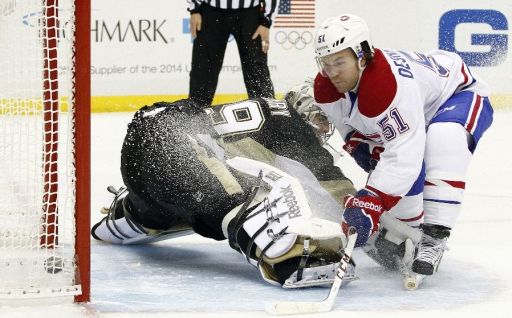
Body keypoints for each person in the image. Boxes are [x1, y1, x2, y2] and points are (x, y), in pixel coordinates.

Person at [91, 95, 360, 288]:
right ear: (304, 108)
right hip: (171, 141)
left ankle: (129, 212)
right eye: (321, 118)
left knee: (164, 209)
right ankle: (290, 259)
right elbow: (336, 192)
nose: (325, 129)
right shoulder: (294, 127)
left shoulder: (269, 115)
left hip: (149, 142)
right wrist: (379, 230)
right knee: (238, 205)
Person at [311, 14, 494, 285]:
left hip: (457, 93)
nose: (332, 72)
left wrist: (372, 200)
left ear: (362, 56)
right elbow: (354, 134)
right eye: (325, 63)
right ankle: (410, 233)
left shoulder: (386, 87)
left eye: (340, 62)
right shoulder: (327, 87)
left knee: (442, 138)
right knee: (387, 169)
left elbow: (405, 157)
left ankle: (434, 238)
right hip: (415, 109)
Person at [187, 0, 278, 106]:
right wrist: (195, 9)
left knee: (256, 70)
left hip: (250, 15)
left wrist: (266, 21)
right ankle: (195, 116)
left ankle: (268, 114)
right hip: (210, 12)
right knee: (203, 70)